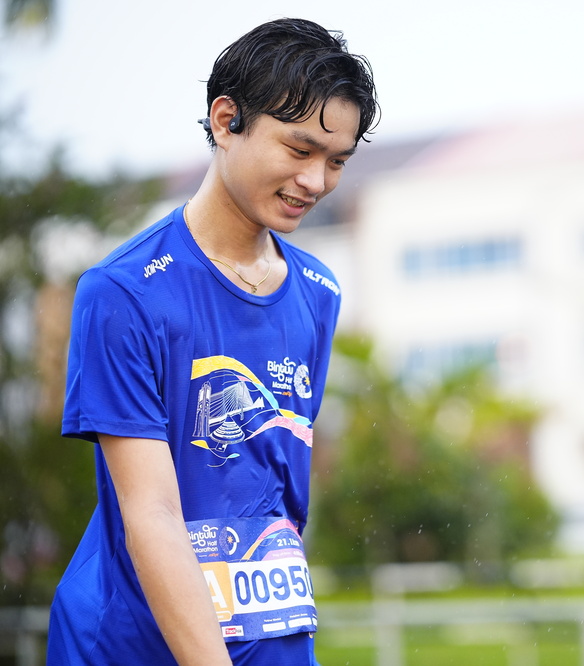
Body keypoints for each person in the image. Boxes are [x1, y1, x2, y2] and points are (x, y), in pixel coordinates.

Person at [48, 18, 378, 665]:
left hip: (273, 635)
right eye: (299, 149)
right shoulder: (125, 292)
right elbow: (152, 514)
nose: (316, 181)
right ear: (226, 121)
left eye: (337, 161)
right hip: (133, 643)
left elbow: (277, 488)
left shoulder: (318, 291)